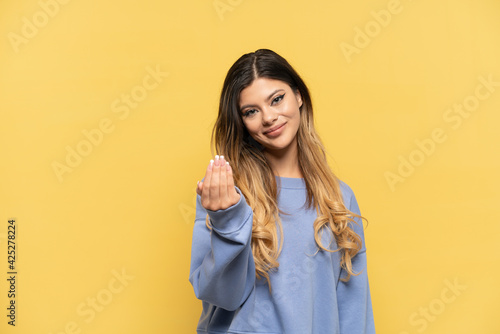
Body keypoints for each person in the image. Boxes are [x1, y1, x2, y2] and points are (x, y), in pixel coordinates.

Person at [189, 49, 375, 333]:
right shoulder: (226, 194)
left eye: (277, 99)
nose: (269, 117)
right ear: (242, 123)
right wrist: (227, 220)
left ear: (299, 96)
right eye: (251, 111)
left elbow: (354, 308)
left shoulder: (339, 197)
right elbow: (220, 296)